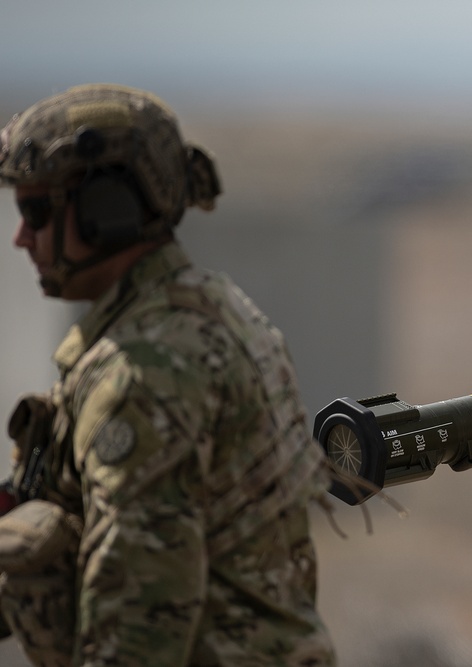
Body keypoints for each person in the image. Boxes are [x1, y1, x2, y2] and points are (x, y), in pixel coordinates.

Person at [0, 84, 336, 666]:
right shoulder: (210, 306)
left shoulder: (143, 374)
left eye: (37, 212)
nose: (21, 237)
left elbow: (138, 634)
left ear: (108, 209)